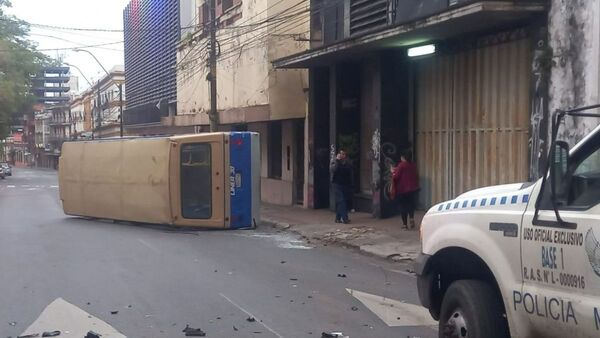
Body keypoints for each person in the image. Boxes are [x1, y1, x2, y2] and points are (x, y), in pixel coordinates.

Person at [392, 150, 419, 229]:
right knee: (410, 205)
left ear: (403, 157)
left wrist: (393, 172)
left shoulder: (401, 165)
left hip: (402, 190)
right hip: (412, 189)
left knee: (403, 206)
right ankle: (411, 218)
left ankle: (405, 224)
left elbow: (396, 177)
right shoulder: (413, 165)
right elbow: (416, 176)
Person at [331, 149, 353, 224]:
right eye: (341, 154)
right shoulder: (335, 161)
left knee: (342, 202)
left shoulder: (348, 162)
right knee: (341, 201)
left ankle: (337, 218)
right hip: (336, 184)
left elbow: (350, 172)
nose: (342, 155)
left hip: (345, 184)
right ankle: (345, 218)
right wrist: (337, 160)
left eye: (343, 154)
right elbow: (333, 169)